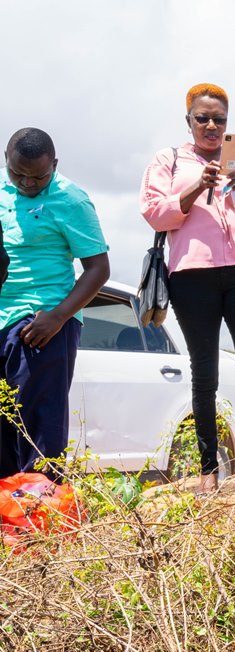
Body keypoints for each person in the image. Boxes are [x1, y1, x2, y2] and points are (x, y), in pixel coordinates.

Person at [139, 83, 235, 501]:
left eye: (218, 120)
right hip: (192, 275)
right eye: (202, 118)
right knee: (205, 375)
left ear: (228, 124)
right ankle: (208, 473)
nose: (210, 125)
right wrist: (194, 187)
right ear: (188, 121)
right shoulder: (168, 161)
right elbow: (154, 214)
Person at [0, 128, 110, 479]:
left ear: (55, 165)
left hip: (41, 324)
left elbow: (98, 268)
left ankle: (40, 522)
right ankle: (10, 526)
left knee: (38, 435)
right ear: (6, 160)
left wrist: (59, 317)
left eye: (38, 176)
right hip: (2, 320)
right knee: (4, 434)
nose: (27, 183)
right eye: (18, 173)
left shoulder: (71, 200)